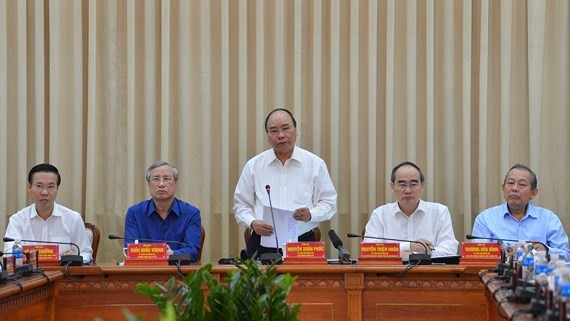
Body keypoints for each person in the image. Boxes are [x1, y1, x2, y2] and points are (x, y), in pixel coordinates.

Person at [234, 108, 337, 258]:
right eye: (274, 131)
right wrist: (252, 222)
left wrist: (311, 214)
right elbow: (240, 205)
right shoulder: (254, 166)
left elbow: (329, 202)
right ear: (268, 136)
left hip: (303, 244)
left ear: (296, 131)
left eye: (286, 128)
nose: (281, 135)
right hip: (262, 243)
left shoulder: (315, 164)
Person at [472, 163, 570, 260]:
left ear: (533, 193)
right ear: (503, 188)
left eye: (522, 184)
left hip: (538, 274)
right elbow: (475, 254)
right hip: (497, 274)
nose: (514, 189)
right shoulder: (485, 218)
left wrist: (546, 251)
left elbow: (566, 255)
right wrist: (501, 254)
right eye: (510, 183)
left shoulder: (548, 219)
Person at [363, 161, 458, 258]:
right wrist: (410, 246)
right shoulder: (380, 214)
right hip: (390, 272)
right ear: (392, 187)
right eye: (402, 184)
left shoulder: (439, 212)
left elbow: (450, 249)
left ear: (422, 186)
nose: (408, 190)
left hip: (429, 272)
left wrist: (416, 253)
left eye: (413, 184)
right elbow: (370, 250)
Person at [4, 163, 93, 263]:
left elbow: (86, 253)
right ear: (29, 187)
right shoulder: (18, 220)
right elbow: (9, 255)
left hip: (63, 276)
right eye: (39, 186)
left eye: (50, 187)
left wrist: (75, 258)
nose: (45, 192)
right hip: (28, 276)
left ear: (57, 189)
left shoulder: (73, 218)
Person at [124, 160, 202, 261]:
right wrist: (160, 253)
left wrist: (172, 254)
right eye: (156, 179)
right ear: (148, 184)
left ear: (176, 183)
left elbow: (192, 252)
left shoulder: (191, 213)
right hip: (145, 273)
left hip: (179, 273)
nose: (161, 184)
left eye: (166, 179)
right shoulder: (134, 213)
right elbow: (131, 250)